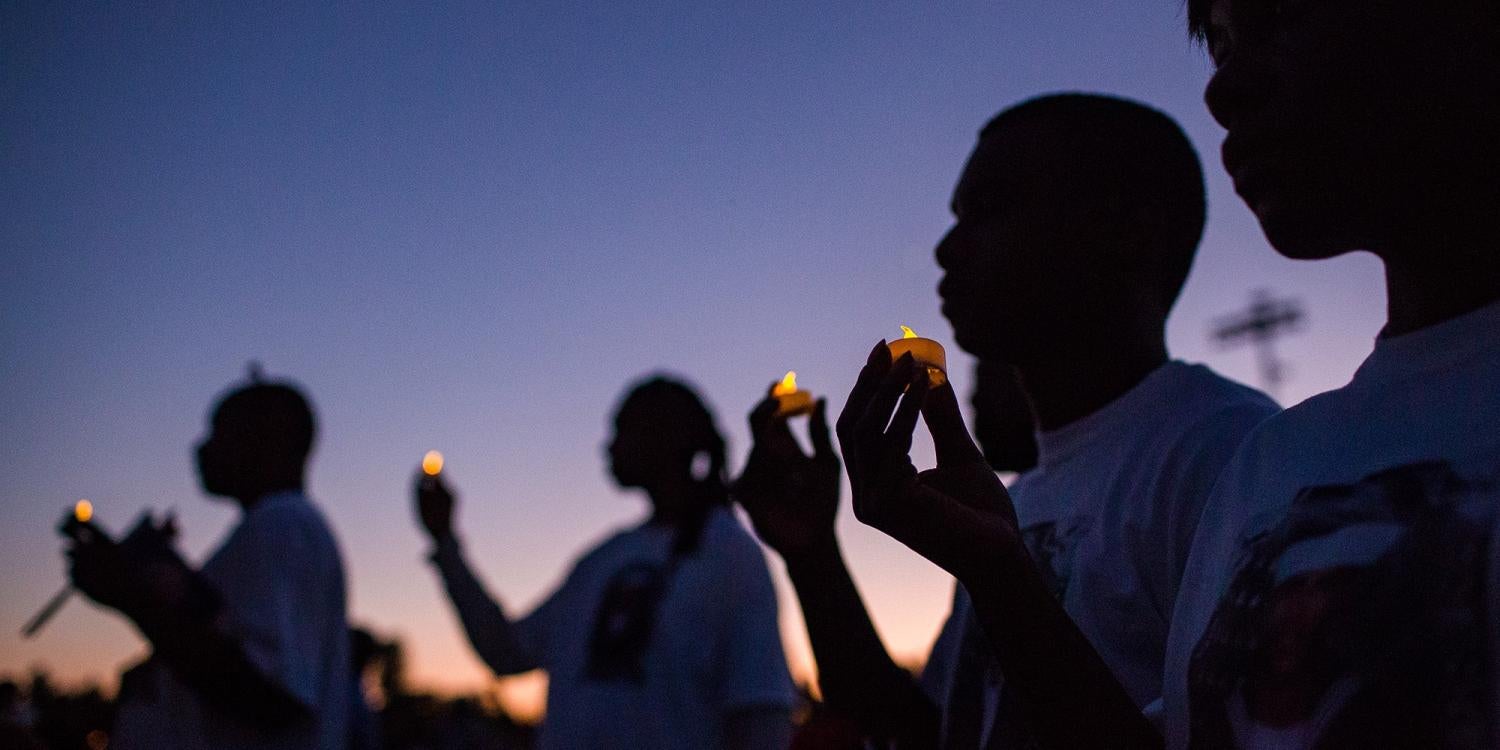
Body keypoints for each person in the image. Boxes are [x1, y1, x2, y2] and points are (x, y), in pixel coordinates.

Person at [737, 93, 1278, 748]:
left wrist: (1000, 578)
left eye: (989, 209)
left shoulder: (1229, 459)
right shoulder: (1022, 497)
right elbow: (924, 732)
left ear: (1128, 231)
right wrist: (812, 555)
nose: (945, 249)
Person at [1152, 3, 1500, 748]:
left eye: (1283, 15)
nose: (1222, 91)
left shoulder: (1216, 445)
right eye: (1219, 46)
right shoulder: (1268, 469)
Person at [416, 375, 794, 750]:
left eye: (621, 429)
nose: (608, 445)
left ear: (664, 436)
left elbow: (761, 715)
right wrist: (445, 543)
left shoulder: (729, 553)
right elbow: (507, 651)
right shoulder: (601, 561)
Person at [65, 376, 351, 749]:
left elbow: (269, 692)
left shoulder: (282, 523)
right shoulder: (277, 528)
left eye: (220, 432)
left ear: (268, 440)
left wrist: (132, 597)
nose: (202, 448)